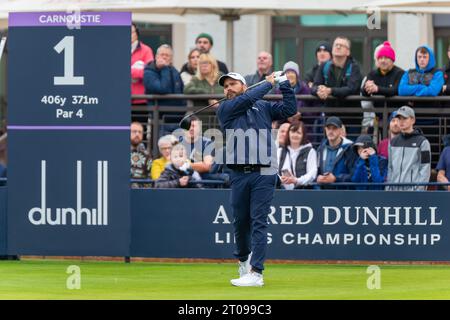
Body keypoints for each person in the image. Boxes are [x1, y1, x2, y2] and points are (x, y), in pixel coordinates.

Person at [217, 71, 296, 287]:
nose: (228, 89)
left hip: (265, 172)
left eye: (233, 84)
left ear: (244, 85)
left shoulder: (263, 106)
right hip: (239, 173)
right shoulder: (225, 108)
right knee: (241, 222)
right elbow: (247, 99)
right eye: (225, 86)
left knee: (259, 221)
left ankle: (256, 273)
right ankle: (244, 260)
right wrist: (269, 83)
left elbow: (290, 109)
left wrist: (284, 85)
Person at [360, 41, 404, 133]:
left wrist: (377, 89)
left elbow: (395, 90)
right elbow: (363, 92)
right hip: (379, 117)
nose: (383, 60)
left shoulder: (400, 73)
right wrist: (367, 87)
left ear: (392, 60)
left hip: (397, 117)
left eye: (386, 58)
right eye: (380, 58)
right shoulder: (373, 74)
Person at [386, 106, 431, 191]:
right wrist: (388, 189)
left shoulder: (423, 142)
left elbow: (425, 169)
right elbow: (390, 168)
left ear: (413, 120)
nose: (401, 122)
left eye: (404, 118)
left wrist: (418, 191)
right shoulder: (392, 142)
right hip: (394, 193)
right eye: (399, 118)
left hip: (413, 194)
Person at [311, 37, 362, 105]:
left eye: (342, 45)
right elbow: (314, 87)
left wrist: (330, 91)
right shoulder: (324, 66)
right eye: (336, 45)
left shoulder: (354, 67)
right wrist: (319, 90)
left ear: (348, 52)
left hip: (350, 113)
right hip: (329, 113)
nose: (338, 47)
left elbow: (351, 89)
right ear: (332, 50)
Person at [316, 116, 357, 188]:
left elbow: (354, 175)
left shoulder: (350, 148)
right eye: (328, 128)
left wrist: (336, 178)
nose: (331, 131)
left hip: (343, 195)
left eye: (334, 128)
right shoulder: (320, 149)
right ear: (325, 129)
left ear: (340, 130)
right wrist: (318, 178)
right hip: (323, 194)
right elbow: (316, 172)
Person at [278, 122, 317, 189]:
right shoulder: (280, 151)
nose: (295, 135)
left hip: (303, 193)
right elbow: (274, 171)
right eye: (293, 132)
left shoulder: (310, 151)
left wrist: (297, 180)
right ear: (289, 134)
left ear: (303, 135)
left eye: (298, 133)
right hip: (282, 192)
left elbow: (312, 173)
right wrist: (280, 179)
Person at [131, 23, 154, 105]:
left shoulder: (147, 50)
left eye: (131, 32)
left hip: (141, 99)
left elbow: (149, 73)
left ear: (137, 33)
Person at [130, 122, 152, 188]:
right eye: (134, 131)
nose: (137, 134)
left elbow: (149, 178)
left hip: (139, 193)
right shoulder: (118, 152)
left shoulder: (147, 156)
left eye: (140, 132)